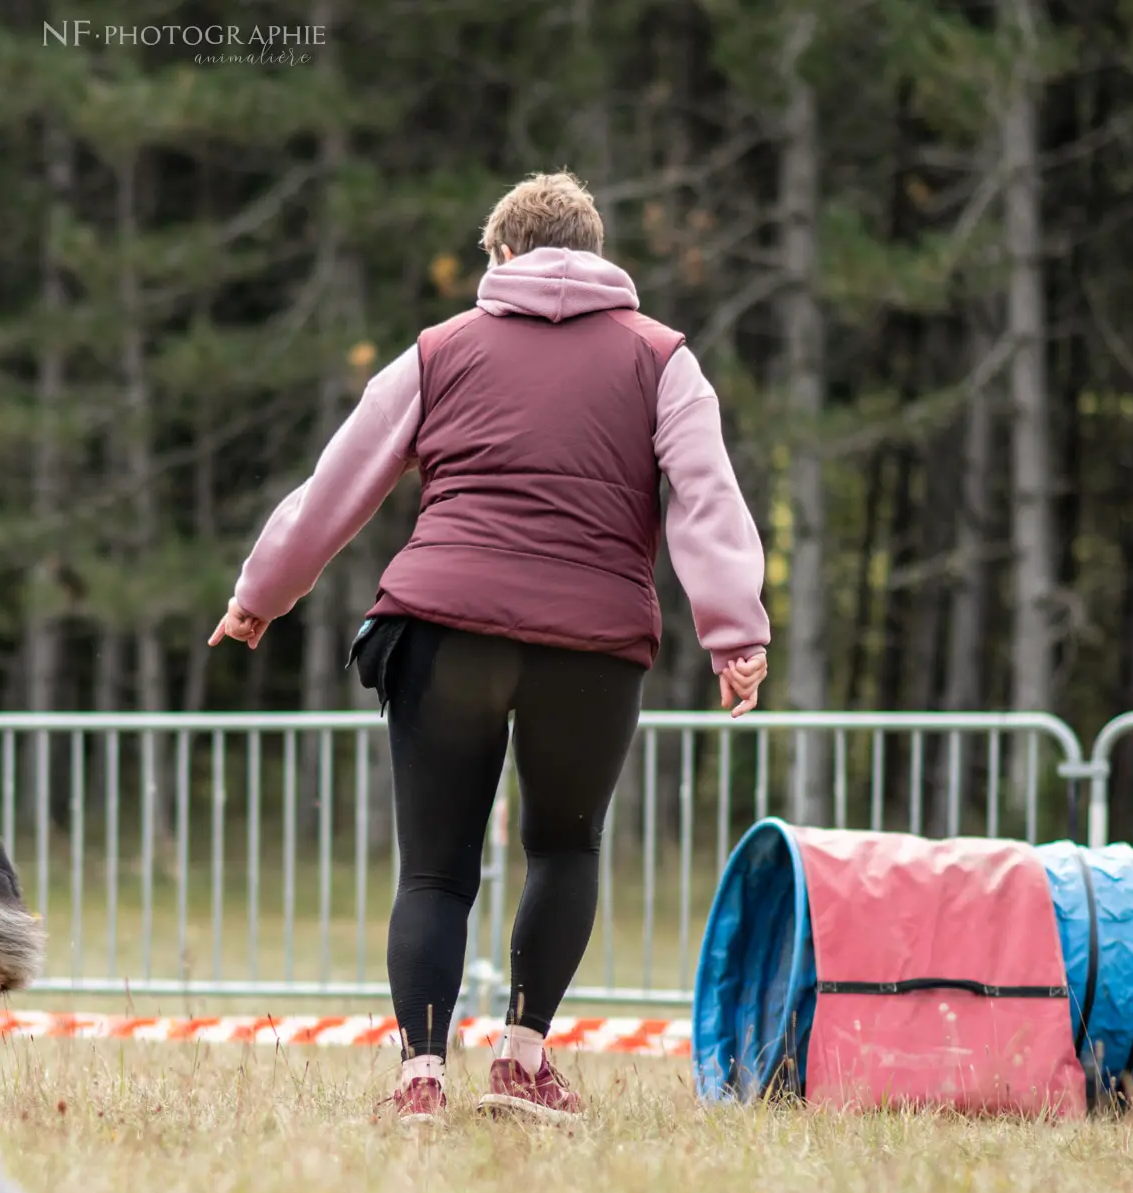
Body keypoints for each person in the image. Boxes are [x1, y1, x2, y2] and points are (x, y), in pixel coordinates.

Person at [208, 171, 771, 1125]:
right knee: (564, 846)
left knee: (434, 870)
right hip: (589, 644)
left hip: (446, 628)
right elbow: (707, 495)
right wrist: (735, 630)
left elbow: (336, 482)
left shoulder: (439, 352)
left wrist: (261, 594)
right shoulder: (663, 358)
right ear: (593, 252)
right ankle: (521, 1057)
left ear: (502, 256)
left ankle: (420, 1079)